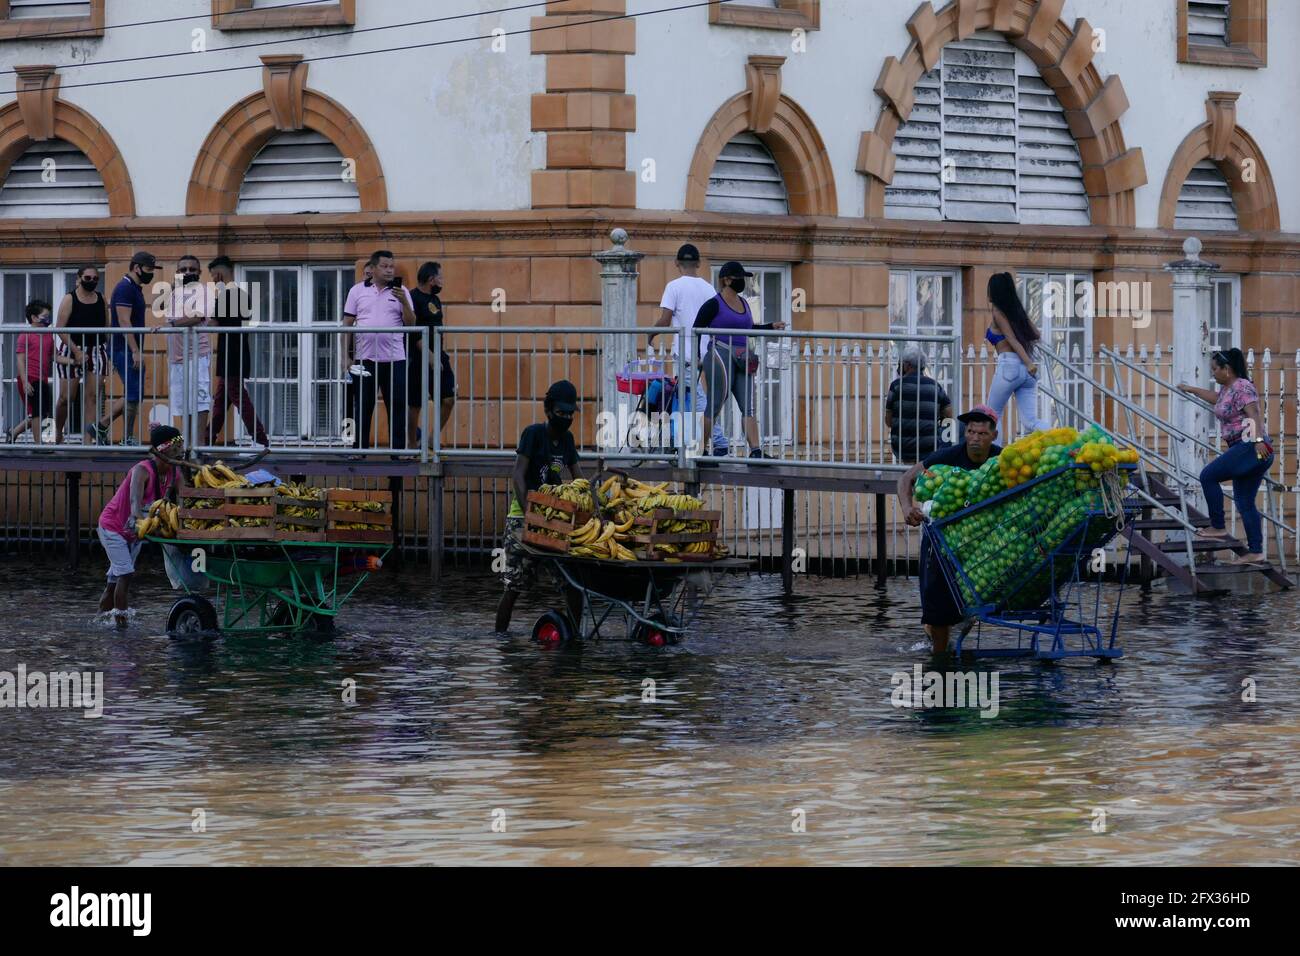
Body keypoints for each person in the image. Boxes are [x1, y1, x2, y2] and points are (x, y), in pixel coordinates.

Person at [898, 405, 1003, 655]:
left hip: (982, 539)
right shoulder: (948, 456)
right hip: (943, 539)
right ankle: (939, 658)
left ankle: (949, 626)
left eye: (982, 434)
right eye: (970, 432)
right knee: (936, 604)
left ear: (993, 436)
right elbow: (906, 479)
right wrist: (906, 508)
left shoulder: (1003, 460)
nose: (975, 438)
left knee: (974, 595)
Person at [494, 380, 585, 634]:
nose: (565, 418)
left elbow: (579, 479)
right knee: (513, 587)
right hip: (521, 521)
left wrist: (593, 502)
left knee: (572, 584)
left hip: (553, 521)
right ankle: (501, 639)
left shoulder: (567, 440)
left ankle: (574, 638)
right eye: (560, 413)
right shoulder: (533, 434)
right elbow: (518, 476)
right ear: (548, 410)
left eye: (569, 414)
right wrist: (530, 514)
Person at [1178, 348, 1274, 566]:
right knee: (1245, 501)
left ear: (1227, 370)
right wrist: (1191, 389)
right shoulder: (1227, 390)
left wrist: (1258, 442)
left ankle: (1218, 526)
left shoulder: (1242, 386)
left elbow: (1254, 415)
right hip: (1248, 448)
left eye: (1215, 369)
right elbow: (1216, 399)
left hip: (1252, 445)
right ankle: (1256, 552)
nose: (1213, 373)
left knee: (1208, 476)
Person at [693, 260, 787, 460]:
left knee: (748, 404)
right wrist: (699, 358)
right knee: (715, 404)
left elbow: (749, 328)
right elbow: (696, 329)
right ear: (727, 280)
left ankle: (755, 451)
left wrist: (770, 326)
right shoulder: (713, 304)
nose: (743, 282)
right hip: (720, 352)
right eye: (740, 278)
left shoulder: (744, 302)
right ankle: (702, 449)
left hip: (742, 355)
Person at [96, 424, 184, 628]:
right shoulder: (141, 470)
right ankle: (121, 625)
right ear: (163, 450)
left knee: (114, 582)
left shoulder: (175, 474)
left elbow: (185, 501)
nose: (182, 452)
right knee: (125, 574)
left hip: (133, 534)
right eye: (177, 448)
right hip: (113, 527)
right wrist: (138, 518)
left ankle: (98, 621)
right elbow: (135, 501)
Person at [649, 243, 726, 454]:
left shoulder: (674, 287)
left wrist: (651, 333)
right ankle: (679, 440)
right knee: (687, 397)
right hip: (707, 350)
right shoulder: (709, 288)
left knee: (696, 397)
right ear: (699, 263)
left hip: (685, 352)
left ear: (676, 263)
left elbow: (665, 319)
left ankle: (719, 440)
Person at [344, 250, 414, 450]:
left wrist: (404, 302)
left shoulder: (402, 292)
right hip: (365, 359)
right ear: (373, 269)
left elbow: (411, 323)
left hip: (395, 359)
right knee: (363, 407)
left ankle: (397, 452)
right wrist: (344, 357)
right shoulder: (357, 291)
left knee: (398, 406)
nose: (389, 270)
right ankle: (359, 449)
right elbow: (347, 323)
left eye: (392, 266)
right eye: (384, 266)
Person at [92, 251, 157, 445]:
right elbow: (123, 321)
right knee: (133, 393)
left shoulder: (134, 288)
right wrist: (135, 351)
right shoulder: (124, 288)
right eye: (148, 269)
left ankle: (102, 426)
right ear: (136, 268)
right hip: (124, 348)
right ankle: (125, 437)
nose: (151, 273)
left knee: (134, 393)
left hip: (129, 348)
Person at [207, 256, 268, 447]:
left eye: (212, 276)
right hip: (237, 351)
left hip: (230, 354)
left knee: (238, 398)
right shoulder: (241, 294)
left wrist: (197, 317)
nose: (213, 280)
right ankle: (207, 439)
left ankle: (260, 439)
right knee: (220, 400)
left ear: (218, 273)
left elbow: (213, 323)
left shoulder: (226, 294)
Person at [984, 272, 1045, 439]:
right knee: (1030, 421)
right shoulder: (1014, 311)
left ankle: (994, 458)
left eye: (989, 289)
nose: (987, 293)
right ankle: (1061, 435)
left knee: (992, 415)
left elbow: (1011, 339)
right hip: (1026, 372)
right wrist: (1028, 364)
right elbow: (1036, 334)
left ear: (995, 291)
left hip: (1010, 366)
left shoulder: (997, 311)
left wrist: (1029, 363)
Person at [54, 266, 111, 446]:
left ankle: (87, 441)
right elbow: (60, 328)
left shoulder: (101, 299)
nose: (92, 281)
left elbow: (107, 328)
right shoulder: (69, 299)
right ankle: (58, 432)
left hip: (97, 349)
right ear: (79, 278)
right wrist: (77, 351)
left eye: (95, 278)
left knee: (93, 397)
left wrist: (108, 353)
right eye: (88, 278)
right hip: (72, 348)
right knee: (66, 397)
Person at [163, 255, 214, 442]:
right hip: (176, 358)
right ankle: (188, 445)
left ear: (199, 273)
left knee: (200, 402)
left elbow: (198, 316)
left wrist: (173, 324)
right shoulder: (175, 292)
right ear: (178, 273)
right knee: (183, 403)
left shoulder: (204, 291)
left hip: (196, 356)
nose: (188, 272)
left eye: (192, 269)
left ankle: (198, 445)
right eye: (183, 269)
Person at [406, 260, 456, 446]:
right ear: (431, 279)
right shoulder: (412, 298)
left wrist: (437, 355)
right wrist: (429, 355)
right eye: (440, 277)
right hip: (418, 357)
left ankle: (428, 440)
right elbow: (414, 331)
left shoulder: (435, 299)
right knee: (415, 404)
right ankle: (411, 445)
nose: (442, 281)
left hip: (438, 354)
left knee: (448, 399)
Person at [8, 300, 64, 444]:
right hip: (29, 378)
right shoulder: (25, 335)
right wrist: (25, 381)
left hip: (43, 379)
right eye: (45, 316)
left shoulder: (48, 336)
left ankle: (13, 432)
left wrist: (74, 361)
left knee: (42, 411)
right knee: (38, 412)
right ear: (33, 318)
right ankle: (40, 444)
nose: (48, 319)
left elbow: (54, 357)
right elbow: (20, 360)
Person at [885, 345, 954, 463]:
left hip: (902, 448)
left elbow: (889, 421)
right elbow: (949, 414)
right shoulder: (935, 386)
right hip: (929, 447)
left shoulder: (896, 386)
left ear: (907, 365)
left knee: (908, 476)